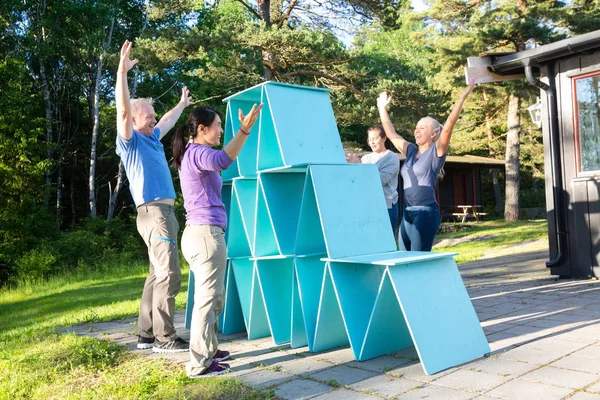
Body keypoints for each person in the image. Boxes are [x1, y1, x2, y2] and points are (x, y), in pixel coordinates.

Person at [172, 103, 263, 378]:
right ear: (202, 129)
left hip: (201, 235)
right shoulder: (199, 152)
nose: (221, 130)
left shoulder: (192, 152)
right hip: (206, 236)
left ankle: (209, 350)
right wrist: (245, 130)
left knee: (214, 299)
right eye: (218, 125)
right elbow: (224, 160)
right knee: (207, 301)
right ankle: (199, 364)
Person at [115, 40, 193, 353]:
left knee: (155, 275)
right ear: (133, 121)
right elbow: (122, 108)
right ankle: (165, 337)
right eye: (148, 115)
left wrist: (183, 105)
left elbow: (169, 121)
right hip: (154, 214)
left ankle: (146, 335)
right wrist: (121, 73)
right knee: (170, 274)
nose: (153, 117)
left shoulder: (152, 140)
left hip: (163, 214)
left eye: (153, 114)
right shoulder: (130, 141)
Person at [377, 79, 476, 251]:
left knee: (417, 260)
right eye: (416, 128)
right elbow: (391, 134)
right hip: (407, 213)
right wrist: (381, 108)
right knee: (403, 259)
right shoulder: (410, 151)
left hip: (426, 213)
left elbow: (448, 129)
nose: (416, 131)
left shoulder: (435, 153)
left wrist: (462, 98)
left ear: (433, 134)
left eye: (422, 128)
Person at [346, 126, 400, 234]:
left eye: (375, 139)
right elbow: (357, 182)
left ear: (384, 138)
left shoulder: (392, 157)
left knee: (385, 243)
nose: (372, 142)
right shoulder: (366, 158)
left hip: (386, 206)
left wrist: (359, 166)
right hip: (367, 206)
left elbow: (379, 181)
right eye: (369, 140)